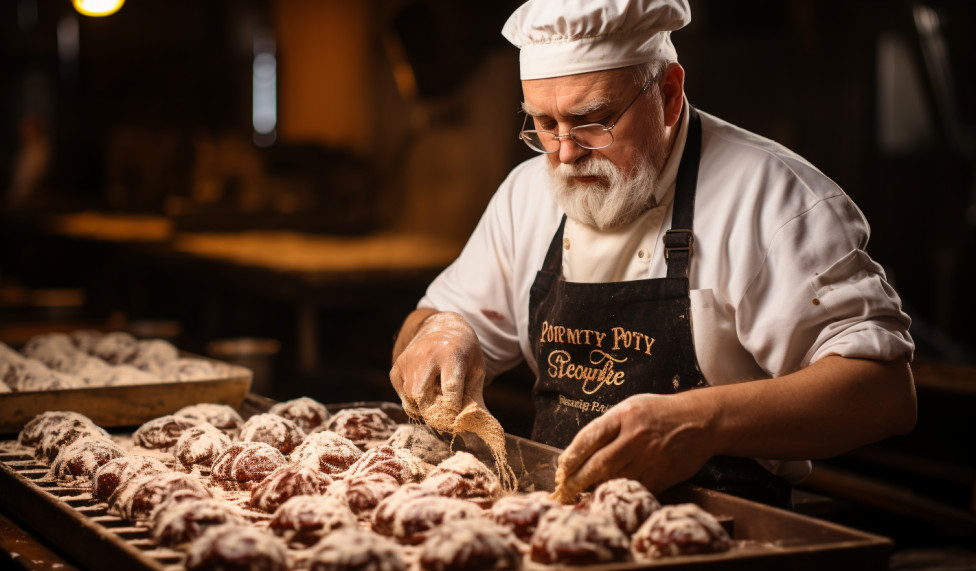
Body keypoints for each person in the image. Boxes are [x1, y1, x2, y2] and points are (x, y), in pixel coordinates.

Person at [389, 0, 916, 508]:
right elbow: (427, 323)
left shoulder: (773, 200)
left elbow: (883, 394)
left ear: (668, 93)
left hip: (714, 532)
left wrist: (700, 422)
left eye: (592, 120)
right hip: (559, 520)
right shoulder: (525, 195)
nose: (567, 155)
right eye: (546, 126)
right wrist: (438, 333)